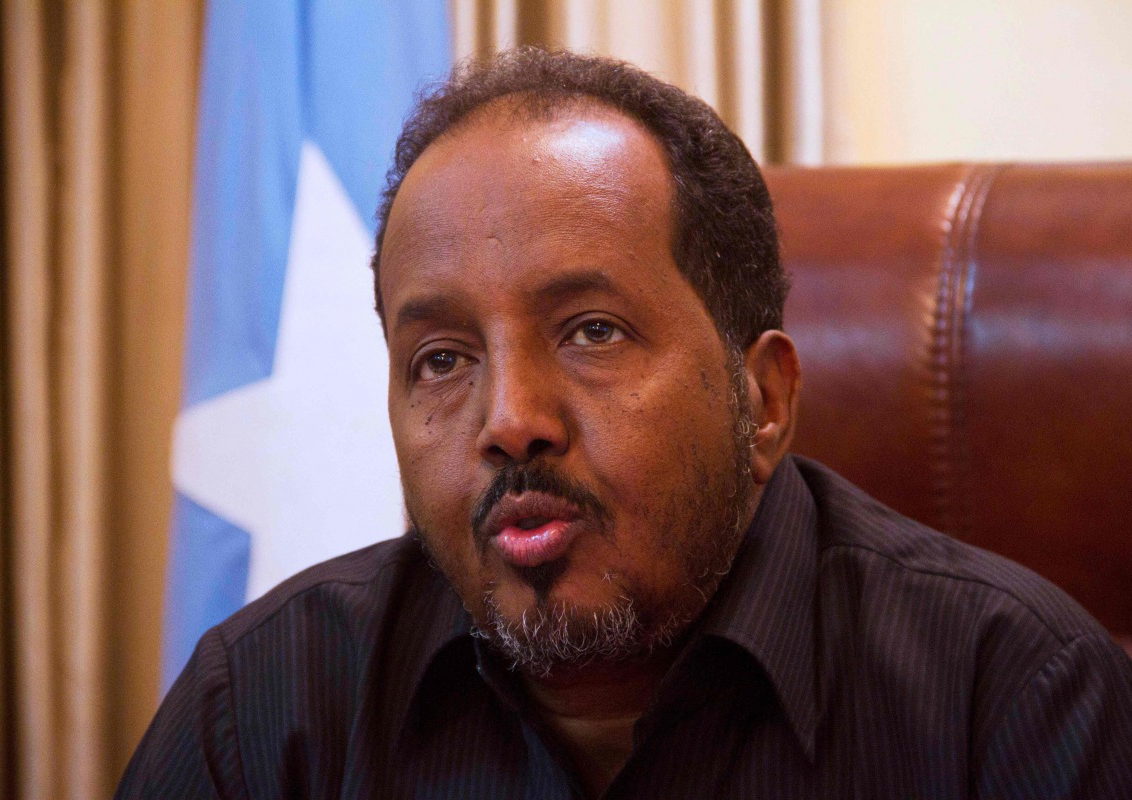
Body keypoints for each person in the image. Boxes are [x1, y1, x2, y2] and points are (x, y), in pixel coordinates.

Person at [117, 48, 1132, 799]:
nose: (510, 421)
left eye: (592, 331)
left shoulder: (1014, 698)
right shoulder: (259, 711)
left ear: (765, 399)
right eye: (442, 359)